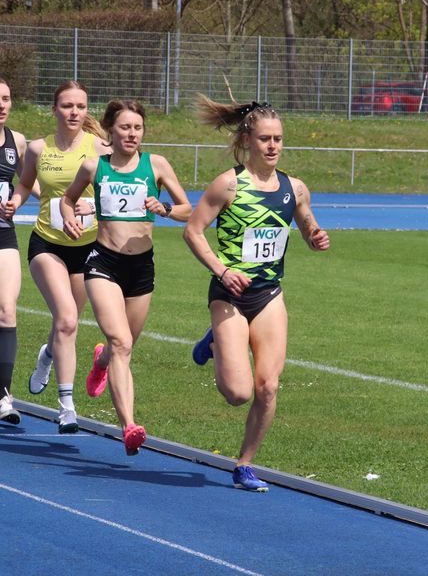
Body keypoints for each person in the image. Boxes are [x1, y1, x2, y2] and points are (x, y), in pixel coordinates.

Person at [183, 96, 330, 492]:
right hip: (229, 294)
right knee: (238, 393)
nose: (272, 146)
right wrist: (222, 270)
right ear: (247, 140)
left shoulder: (295, 188)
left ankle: (245, 464)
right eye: (265, 139)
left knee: (268, 387)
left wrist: (316, 238)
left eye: (278, 139)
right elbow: (192, 232)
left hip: (268, 295)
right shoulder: (228, 184)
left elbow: (308, 227)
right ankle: (215, 340)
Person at [61, 99, 191, 455]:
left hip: (141, 267)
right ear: (111, 130)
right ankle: (129, 426)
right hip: (103, 263)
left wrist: (164, 207)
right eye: (125, 127)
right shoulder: (94, 166)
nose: (132, 134)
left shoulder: (156, 165)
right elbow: (68, 199)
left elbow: (187, 209)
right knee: (122, 343)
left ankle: (101, 361)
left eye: (137, 128)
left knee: (123, 346)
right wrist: (70, 218)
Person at [4, 80, 108, 433]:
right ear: (54, 109)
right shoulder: (38, 148)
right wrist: (16, 201)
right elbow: (24, 183)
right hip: (47, 244)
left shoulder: (101, 148)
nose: (74, 112)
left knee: (68, 324)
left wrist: (92, 206)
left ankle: (47, 355)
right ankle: (67, 408)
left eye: (80, 106)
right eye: (67, 106)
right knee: (66, 319)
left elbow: (116, 191)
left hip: (88, 248)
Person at [0, 79, 27, 424]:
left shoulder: (16, 141)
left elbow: (28, 180)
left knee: (7, 310)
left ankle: (3, 396)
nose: (1, 104)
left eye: (5, 98)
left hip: (3, 233)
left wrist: (17, 200)